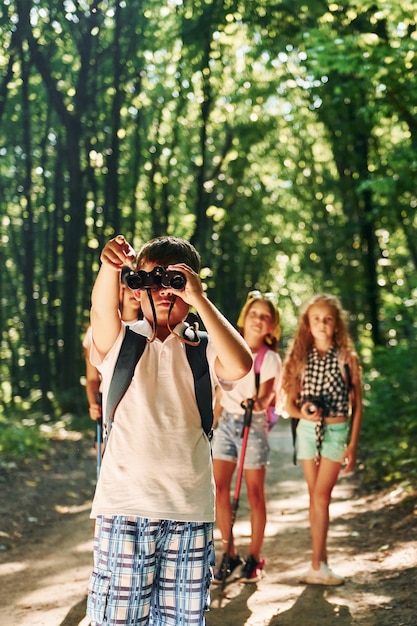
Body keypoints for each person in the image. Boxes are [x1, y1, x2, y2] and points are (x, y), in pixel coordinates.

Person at [86, 234, 252, 626]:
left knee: (182, 619)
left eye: (174, 282)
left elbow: (241, 364)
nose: (163, 291)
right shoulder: (121, 344)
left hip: (188, 511)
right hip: (125, 507)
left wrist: (199, 299)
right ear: (136, 287)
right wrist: (111, 269)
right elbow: (100, 312)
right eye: (151, 281)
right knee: (118, 618)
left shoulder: (203, 347)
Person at [280, 293, 363, 586]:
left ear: (337, 324)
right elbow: (289, 406)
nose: (322, 324)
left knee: (321, 497)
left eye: (328, 318)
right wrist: (304, 411)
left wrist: (352, 445)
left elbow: (358, 404)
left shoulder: (346, 358)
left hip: (336, 433)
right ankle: (319, 563)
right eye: (316, 319)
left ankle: (318, 563)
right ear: (307, 324)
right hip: (306, 431)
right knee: (316, 498)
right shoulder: (300, 359)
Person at [211, 291, 282, 583]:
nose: (258, 320)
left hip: (252, 424)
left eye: (265, 317)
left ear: (271, 326)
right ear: (245, 317)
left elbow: (267, 396)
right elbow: (219, 391)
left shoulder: (270, 358)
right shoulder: (226, 346)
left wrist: (258, 403)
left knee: (253, 493)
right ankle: (229, 552)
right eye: (254, 314)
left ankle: (254, 557)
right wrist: (210, 422)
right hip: (227, 422)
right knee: (220, 488)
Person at [83, 266, 141, 450]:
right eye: (127, 286)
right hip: (108, 404)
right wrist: (93, 404)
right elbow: (92, 378)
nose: (134, 292)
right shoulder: (97, 332)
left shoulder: (152, 329)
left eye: (138, 285)